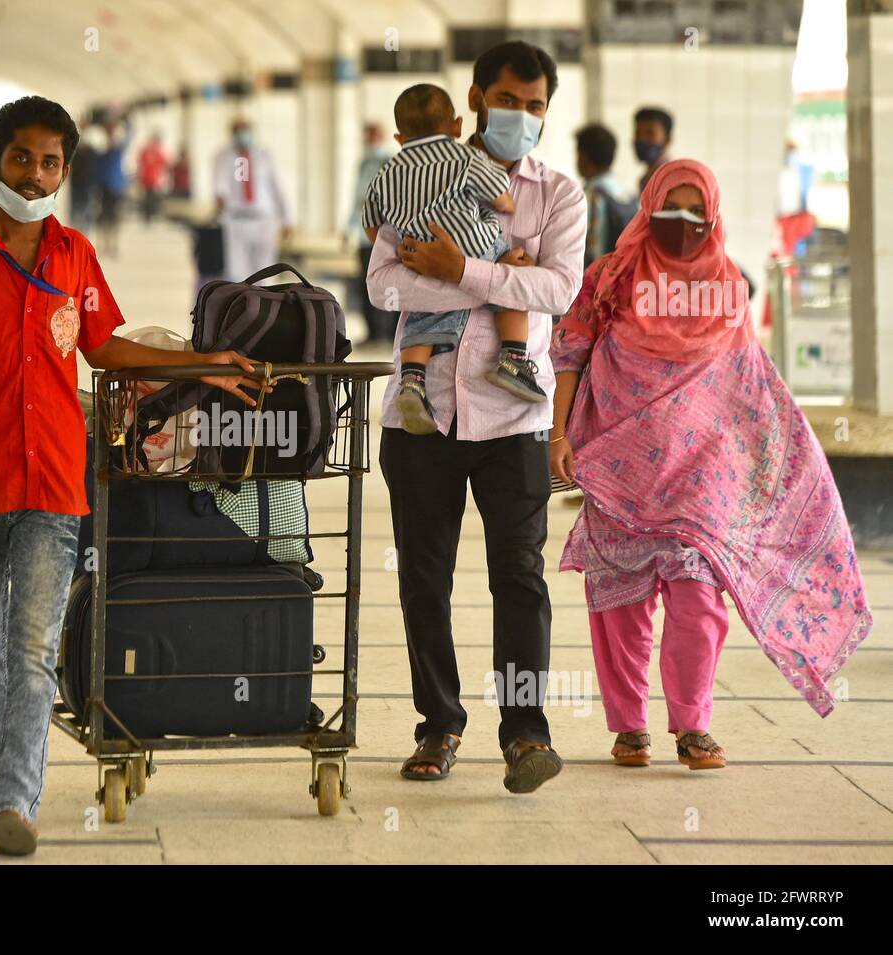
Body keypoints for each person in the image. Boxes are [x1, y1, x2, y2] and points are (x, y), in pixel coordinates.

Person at [0, 95, 263, 857]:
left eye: (51, 161)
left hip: (57, 479)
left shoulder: (75, 256)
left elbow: (108, 350)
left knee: (31, 649)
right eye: (22, 157)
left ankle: (15, 802)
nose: (35, 174)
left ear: (66, 167)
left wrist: (206, 362)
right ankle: (2, 783)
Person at [548, 159, 872, 770]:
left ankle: (693, 726)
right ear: (649, 207)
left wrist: (772, 456)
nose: (683, 222)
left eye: (696, 211)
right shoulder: (612, 276)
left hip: (703, 475)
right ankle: (629, 727)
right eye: (672, 208)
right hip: (620, 468)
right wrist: (558, 434)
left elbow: (745, 379)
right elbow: (570, 351)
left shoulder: (729, 282)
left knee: (698, 599)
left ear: (714, 214)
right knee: (620, 602)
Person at [368, 41, 586, 792]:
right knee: (423, 579)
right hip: (420, 414)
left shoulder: (559, 195)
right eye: (507, 101)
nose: (520, 116)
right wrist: (498, 281)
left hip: (514, 419)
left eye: (534, 106)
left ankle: (526, 733)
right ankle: (439, 722)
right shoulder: (415, 174)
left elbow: (557, 291)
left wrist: (456, 270)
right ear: (473, 97)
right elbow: (384, 287)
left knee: (518, 579)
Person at [364, 82, 543, 437]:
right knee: (510, 284)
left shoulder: (386, 172)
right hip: (475, 249)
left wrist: (403, 239)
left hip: (419, 255)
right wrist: (500, 209)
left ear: (400, 138)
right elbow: (502, 199)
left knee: (422, 315)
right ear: (458, 126)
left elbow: (372, 226)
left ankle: (413, 383)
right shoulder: (466, 158)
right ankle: (513, 358)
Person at [213, 118, 293, 281]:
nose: (244, 136)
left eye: (246, 131)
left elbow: (277, 187)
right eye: (240, 131)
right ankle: (241, 305)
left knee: (265, 272)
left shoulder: (264, 155)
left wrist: (287, 219)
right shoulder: (224, 157)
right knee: (237, 274)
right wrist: (220, 198)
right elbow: (220, 185)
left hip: (263, 219)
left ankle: (264, 305)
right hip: (236, 220)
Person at [345, 123, 396, 344]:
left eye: (374, 135)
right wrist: (348, 228)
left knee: (387, 283)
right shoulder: (364, 163)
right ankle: (373, 332)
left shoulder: (389, 162)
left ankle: (387, 332)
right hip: (363, 233)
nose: (371, 139)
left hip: (383, 233)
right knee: (367, 282)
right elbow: (358, 200)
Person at [575, 123, 637, 267]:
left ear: (584, 157)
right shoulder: (627, 194)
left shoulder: (592, 196)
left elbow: (592, 250)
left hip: (600, 280)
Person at [95, 118, 130, 257]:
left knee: (114, 218)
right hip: (104, 188)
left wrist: (127, 120)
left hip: (115, 188)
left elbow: (129, 137)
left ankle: (113, 245)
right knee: (103, 218)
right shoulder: (102, 153)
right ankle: (104, 245)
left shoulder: (117, 151)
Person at [633, 106, 673, 193]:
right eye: (638, 133)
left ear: (667, 140)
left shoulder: (671, 180)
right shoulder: (646, 179)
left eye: (650, 133)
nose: (642, 139)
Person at [136, 131, 169, 222]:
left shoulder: (155, 151)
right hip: (149, 178)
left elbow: (164, 165)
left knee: (151, 197)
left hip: (153, 179)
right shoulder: (149, 151)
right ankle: (148, 215)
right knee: (149, 197)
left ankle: (150, 214)